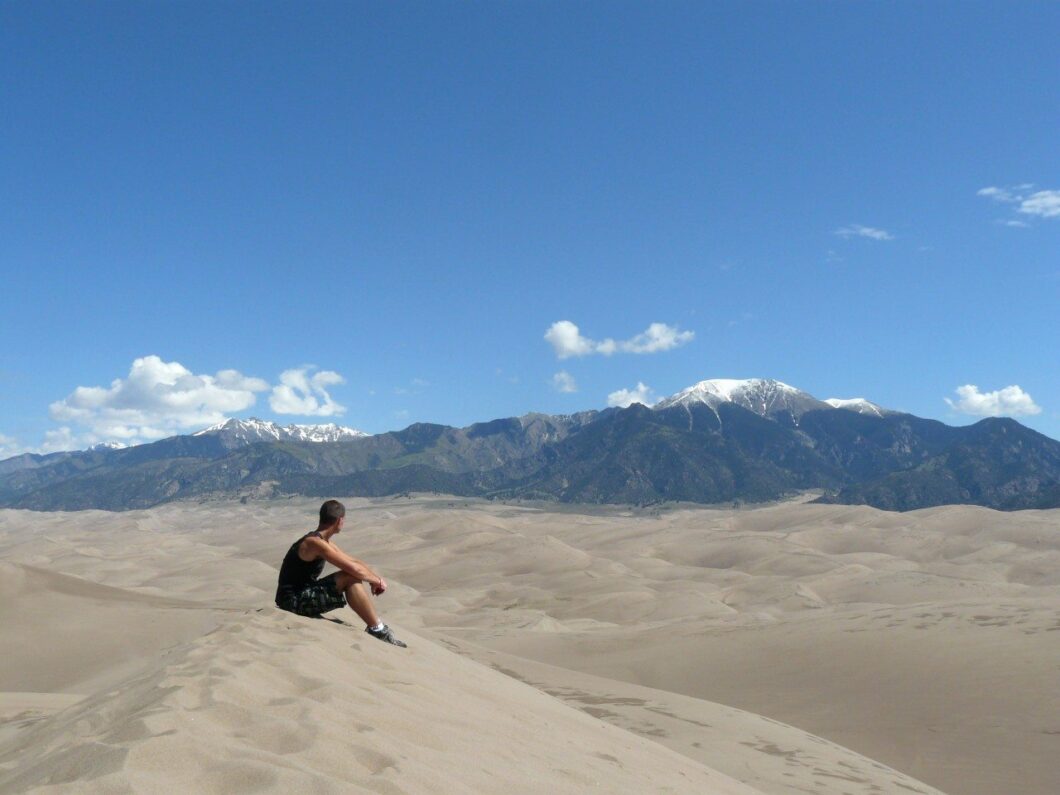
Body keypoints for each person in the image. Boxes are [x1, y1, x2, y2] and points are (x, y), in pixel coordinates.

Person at [275, 499, 407, 647]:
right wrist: (377, 581)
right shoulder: (314, 543)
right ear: (340, 521)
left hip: (300, 596)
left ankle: (377, 628)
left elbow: (354, 561)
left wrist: (374, 578)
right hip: (292, 602)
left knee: (351, 574)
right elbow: (353, 569)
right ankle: (378, 630)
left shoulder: (321, 541)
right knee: (349, 577)